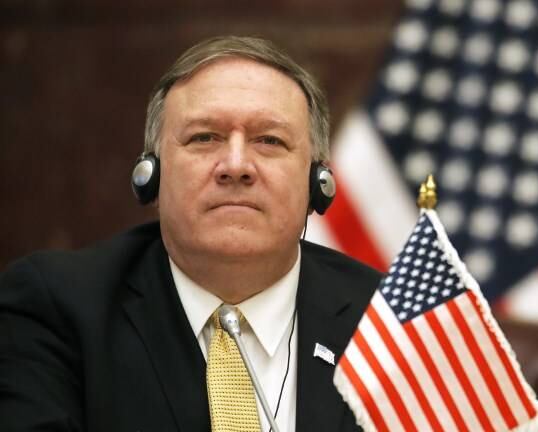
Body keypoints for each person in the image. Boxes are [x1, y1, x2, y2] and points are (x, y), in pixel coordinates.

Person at [0, 35, 380, 432]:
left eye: (269, 140)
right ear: (150, 175)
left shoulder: (387, 321)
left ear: (318, 182)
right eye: (204, 138)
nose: (236, 165)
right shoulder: (56, 310)